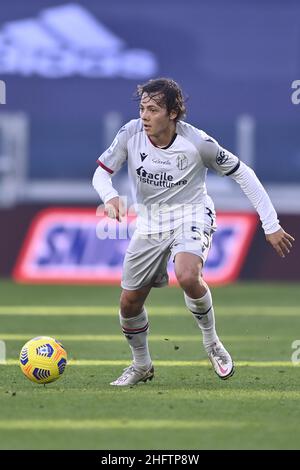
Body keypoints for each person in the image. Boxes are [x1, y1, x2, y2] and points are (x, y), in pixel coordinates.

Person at [92, 77, 294, 386]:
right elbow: (101, 174)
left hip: (192, 214)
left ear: (173, 113)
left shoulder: (198, 143)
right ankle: (141, 365)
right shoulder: (130, 134)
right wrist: (109, 197)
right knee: (129, 303)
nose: (145, 116)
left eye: (154, 110)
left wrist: (271, 224)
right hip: (150, 223)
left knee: (187, 275)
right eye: (143, 108)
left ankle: (212, 343)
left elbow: (244, 174)